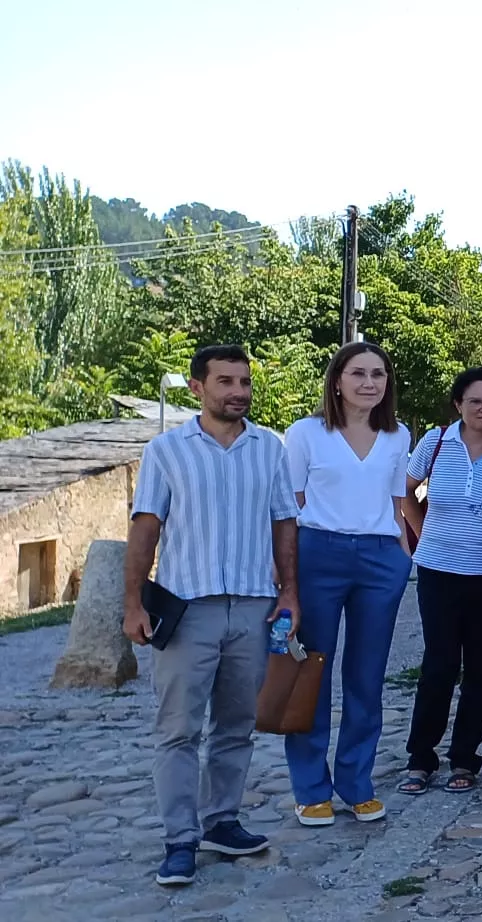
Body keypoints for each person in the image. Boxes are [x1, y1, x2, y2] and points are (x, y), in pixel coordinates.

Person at [124, 345, 299, 886]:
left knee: (237, 725)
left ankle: (222, 820)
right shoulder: (166, 451)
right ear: (198, 387)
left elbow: (284, 524)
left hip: (251, 607)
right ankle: (180, 839)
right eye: (226, 381)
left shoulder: (270, 448)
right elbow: (145, 527)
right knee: (178, 729)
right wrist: (132, 601)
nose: (238, 392)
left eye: (244, 382)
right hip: (189, 608)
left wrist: (290, 590)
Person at [284, 342, 413, 827]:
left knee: (367, 676)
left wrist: (403, 556)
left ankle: (357, 782)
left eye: (378, 374)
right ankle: (311, 789)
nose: (369, 383)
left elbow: (399, 503)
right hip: (319, 551)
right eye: (358, 373)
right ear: (337, 379)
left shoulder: (399, 435)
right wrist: (287, 572)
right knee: (312, 671)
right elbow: (290, 506)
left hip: (381, 559)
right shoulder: (306, 434)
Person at [398, 368, 482, 795]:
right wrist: (421, 539)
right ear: (459, 404)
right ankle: (421, 757)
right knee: (439, 665)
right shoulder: (435, 443)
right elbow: (406, 492)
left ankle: (465, 758)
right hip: (439, 573)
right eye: (476, 401)